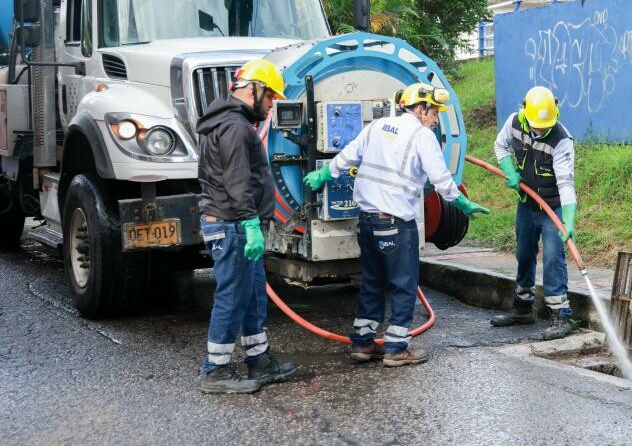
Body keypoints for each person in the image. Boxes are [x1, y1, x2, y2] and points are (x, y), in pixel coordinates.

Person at [304, 82, 490, 367]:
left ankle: (363, 344)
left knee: (372, 282)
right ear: (420, 108)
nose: (436, 118)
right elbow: (440, 180)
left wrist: (324, 174)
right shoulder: (422, 136)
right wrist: (462, 203)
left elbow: (347, 155)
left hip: (366, 222)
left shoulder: (378, 126)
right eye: (434, 112)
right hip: (395, 223)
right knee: (404, 284)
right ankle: (396, 347)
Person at [196, 58, 298, 394]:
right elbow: (237, 181)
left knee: (253, 295)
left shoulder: (230, 122)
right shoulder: (235, 128)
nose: (271, 106)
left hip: (235, 222)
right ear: (253, 89)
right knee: (233, 295)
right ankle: (216, 371)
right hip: (232, 224)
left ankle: (258, 359)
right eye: (270, 97)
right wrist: (251, 222)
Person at [490, 86, 578, 341]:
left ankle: (561, 314)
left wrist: (568, 219)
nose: (539, 130)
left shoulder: (562, 139)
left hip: (553, 207)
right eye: (535, 125)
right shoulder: (515, 122)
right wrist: (509, 170)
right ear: (525, 113)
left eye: (544, 126)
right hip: (527, 203)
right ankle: (522, 307)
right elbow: (501, 146)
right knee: (524, 253)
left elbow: (566, 183)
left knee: (552, 257)